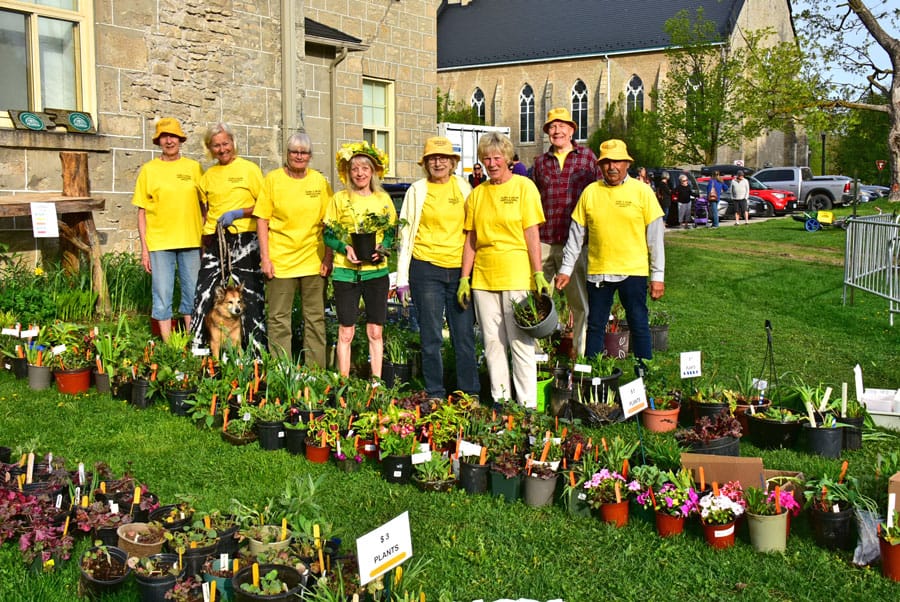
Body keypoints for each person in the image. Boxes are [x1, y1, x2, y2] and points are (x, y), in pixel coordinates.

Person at [458, 132, 548, 408]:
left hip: (516, 272)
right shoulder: (477, 194)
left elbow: (531, 233)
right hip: (484, 277)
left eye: (497, 158)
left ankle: (527, 404)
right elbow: (471, 240)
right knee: (493, 341)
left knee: (520, 342)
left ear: (508, 159)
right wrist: (464, 277)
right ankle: (501, 400)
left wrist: (538, 272)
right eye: (487, 158)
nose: (492, 163)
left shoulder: (524, 187)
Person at [556, 139, 664, 366]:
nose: (612, 167)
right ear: (600, 165)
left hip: (633, 271)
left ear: (627, 164)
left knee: (638, 323)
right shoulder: (590, 193)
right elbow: (576, 236)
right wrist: (566, 270)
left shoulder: (642, 192)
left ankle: (645, 374)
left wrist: (658, 276)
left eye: (617, 161)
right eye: (606, 162)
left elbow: (655, 238)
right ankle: (594, 373)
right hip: (599, 271)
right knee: (595, 325)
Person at [396, 137, 479, 400]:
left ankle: (469, 391)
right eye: (432, 158)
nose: (438, 162)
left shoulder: (465, 189)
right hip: (426, 269)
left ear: (454, 163)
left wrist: (471, 273)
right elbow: (404, 235)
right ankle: (435, 391)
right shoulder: (417, 190)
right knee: (431, 335)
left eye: (444, 158)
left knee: (463, 336)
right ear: (426, 163)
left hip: (459, 272)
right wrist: (401, 278)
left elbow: (473, 232)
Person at [253, 133, 333, 365]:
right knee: (279, 319)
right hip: (280, 261)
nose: (299, 156)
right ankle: (282, 373)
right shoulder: (273, 180)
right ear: (287, 154)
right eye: (294, 152)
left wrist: (328, 257)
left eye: (304, 152)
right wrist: (265, 258)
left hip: (313, 261)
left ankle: (315, 374)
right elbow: (262, 220)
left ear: (310, 156)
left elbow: (329, 223)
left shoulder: (319, 182)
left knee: (315, 319)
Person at [189, 122, 266, 351]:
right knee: (204, 293)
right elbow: (205, 209)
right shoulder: (208, 176)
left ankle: (256, 350)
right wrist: (205, 239)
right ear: (210, 149)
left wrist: (238, 213)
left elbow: (263, 205)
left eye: (225, 143)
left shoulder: (249, 169)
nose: (222, 149)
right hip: (215, 239)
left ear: (233, 143)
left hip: (244, 237)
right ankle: (200, 347)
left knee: (249, 293)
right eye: (216, 146)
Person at [324, 141, 396, 379]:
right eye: (355, 169)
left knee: (375, 330)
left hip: (376, 273)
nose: (360, 173)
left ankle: (376, 382)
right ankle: (343, 383)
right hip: (346, 273)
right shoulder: (339, 199)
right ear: (348, 172)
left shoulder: (383, 200)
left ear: (373, 171)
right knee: (346, 331)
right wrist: (344, 247)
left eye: (365, 168)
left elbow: (391, 233)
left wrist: (382, 247)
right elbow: (328, 233)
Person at [531, 107, 599, 358]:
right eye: (552, 126)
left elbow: (599, 197)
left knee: (580, 303)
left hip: (578, 242)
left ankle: (581, 356)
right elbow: (531, 200)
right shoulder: (540, 163)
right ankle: (537, 355)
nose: (557, 130)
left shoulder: (588, 159)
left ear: (572, 130)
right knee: (537, 298)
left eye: (562, 126)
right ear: (547, 132)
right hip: (545, 240)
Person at [132, 117, 203, 342]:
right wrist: (144, 248)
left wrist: (204, 238)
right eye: (164, 136)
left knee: (192, 293)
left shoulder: (193, 168)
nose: (169, 140)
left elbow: (205, 206)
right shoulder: (149, 170)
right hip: (159, 242)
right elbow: (141, 212)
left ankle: (191, 342)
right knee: (162, 294)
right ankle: (168, 344)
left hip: (191, 241)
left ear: (180, 140)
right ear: (158, 141)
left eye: (173, 136)